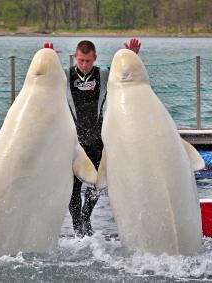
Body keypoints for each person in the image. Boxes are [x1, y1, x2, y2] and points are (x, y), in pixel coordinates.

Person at [44, 38, 141, 237]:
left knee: (98, 183)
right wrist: (48, 59)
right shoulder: (66, 76)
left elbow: (125, 75)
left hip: (97, 139)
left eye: (88, 61)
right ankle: (77, 226)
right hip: (74, 141)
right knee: (74, 186)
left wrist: (132, 56)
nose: (84, 65)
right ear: (75, 58)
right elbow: (45, 80)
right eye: (80, 61)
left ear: (94, 58)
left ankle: (86, 216)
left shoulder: (103, 74)